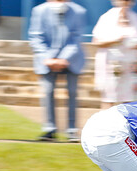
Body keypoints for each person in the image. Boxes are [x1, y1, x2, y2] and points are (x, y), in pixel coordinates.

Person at [28, 0, 86, 142]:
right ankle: (49, 129)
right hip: (47, 60)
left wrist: (64, 58)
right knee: (48, 92)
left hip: (71, 59)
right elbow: (36, 36)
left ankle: (72, 131)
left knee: (72, 93)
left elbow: (76, 38)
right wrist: (48, 58)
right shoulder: (39, 11)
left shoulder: (78, 11)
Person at [91, 0, 137, 109]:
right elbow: (96, 41)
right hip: (111, 66)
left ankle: (126, 125)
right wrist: (116, 40)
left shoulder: (135, 18)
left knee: (129, 101)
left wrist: (136, 46)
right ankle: (105, 125)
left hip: (130, 66)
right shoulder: (106, 17)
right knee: (109, 99)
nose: (125, 2)